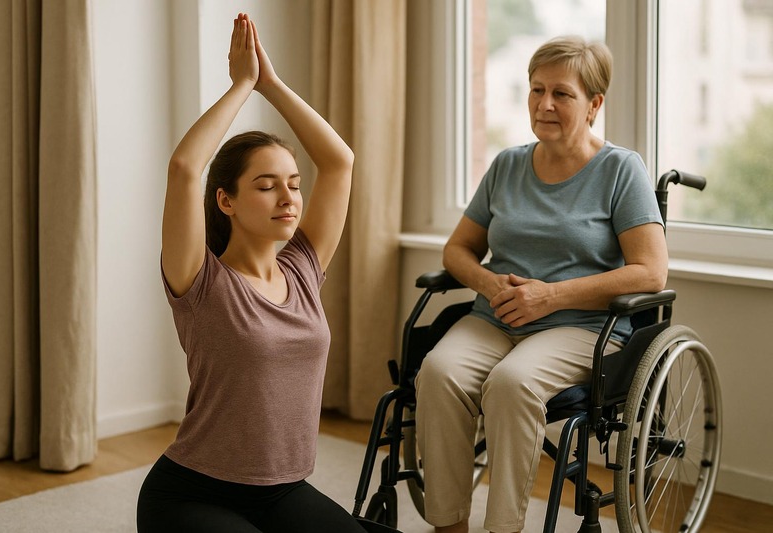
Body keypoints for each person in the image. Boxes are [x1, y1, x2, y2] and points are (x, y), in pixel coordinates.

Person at [414, 36, 668, 533]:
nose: (544, 104)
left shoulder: (620, 170)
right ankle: (447, 525)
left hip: (581, 326)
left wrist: (548, 296)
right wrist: (490, 286)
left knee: (512, 384)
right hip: (497, 316)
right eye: (536, 90)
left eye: (562, 94)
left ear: (594, 104)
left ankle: (503, 528)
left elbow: (650, 272)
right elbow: (457, 250)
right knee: (438, 373)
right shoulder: (508, 164)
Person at [136, 12, 365, 533]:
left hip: (283, 490)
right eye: (266, 185)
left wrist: (272, 84)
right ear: (227, 201)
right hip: (191, 492)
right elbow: (184, 168)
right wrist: (242, 86)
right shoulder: (200, 282)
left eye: (293, 184)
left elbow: (340, 162)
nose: (288, 197)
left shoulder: (304, 268)